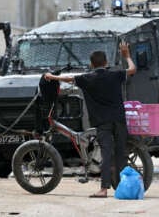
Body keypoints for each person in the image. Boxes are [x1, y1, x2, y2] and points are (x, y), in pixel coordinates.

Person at [44, 42, 136, 198]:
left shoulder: (87, 78)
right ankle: (123, 188)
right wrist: (126, 55)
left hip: (103, 122)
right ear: (106, 62)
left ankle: (104, 189)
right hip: (119, 119)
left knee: (106, 154)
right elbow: (133, 70)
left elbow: (68, 79)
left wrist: (51, 76)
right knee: (121, 153)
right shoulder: (115, 74)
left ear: (91, 64)